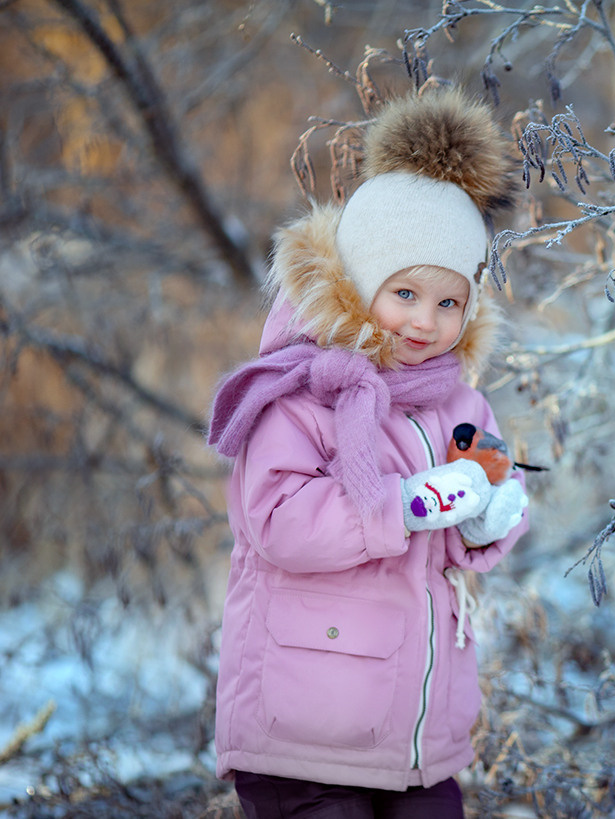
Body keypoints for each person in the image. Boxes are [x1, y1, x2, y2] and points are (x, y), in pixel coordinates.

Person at [206, 87, 530, 819]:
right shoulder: (300, 391)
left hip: (413, 733)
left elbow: (479, 490)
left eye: (450, 303)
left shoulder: (459, 401)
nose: (426, 321)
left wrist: (488, 515)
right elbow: (282, 522)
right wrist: (414, 501)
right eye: (406, 292)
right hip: (303, 733)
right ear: (357, 282)